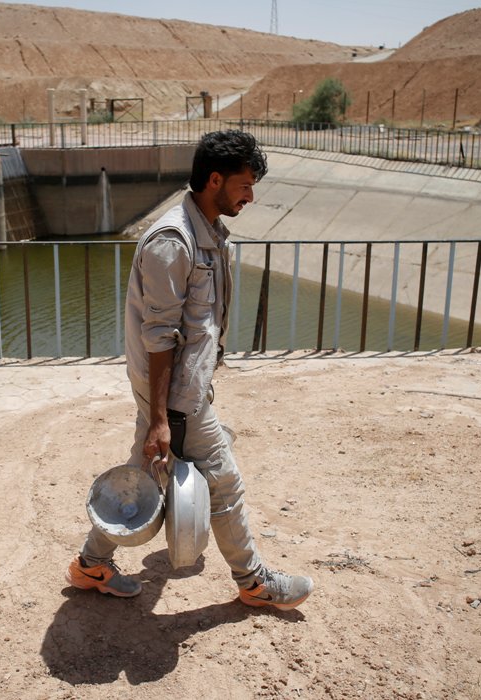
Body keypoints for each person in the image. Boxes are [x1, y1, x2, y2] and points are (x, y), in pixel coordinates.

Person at [66, 130, 313, 609]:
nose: (251, 195)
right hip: (176, 392)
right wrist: (162, 416)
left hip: (183, 387)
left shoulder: (208, 230)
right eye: (245, 184)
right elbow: (159, 339)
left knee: (148, 470)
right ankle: (254, 582)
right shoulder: (173, 241)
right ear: (215, 179)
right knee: (222, 480)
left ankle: (91, 564)